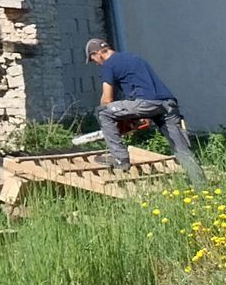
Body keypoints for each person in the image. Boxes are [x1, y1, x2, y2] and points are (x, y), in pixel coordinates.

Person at [86, 38, 205, 183]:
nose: (96, 63)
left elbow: (107, 99)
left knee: (102, 111)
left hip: (147, 103)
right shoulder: (133, 58)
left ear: (98, 53)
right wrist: (137, 116)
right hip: (168, 104)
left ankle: (120, 159)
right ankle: (200, 184)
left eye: (93, 60)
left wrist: (115, 118)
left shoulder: (109, 65)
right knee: (180, 147)